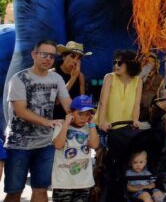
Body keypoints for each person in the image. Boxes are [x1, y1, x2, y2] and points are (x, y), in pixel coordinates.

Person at [4, 39, 72, 202]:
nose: (48, 58)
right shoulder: (19, 78)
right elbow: (20, 111)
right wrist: (47, 122)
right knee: (14, 192)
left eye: (52, 56)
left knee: (41, 191)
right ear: (34, 54)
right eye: (44, 54)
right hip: (19, 144)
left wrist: (87, 114)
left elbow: (68, 105)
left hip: (46, 144)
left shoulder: (57, 79)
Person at [51, 95, 99, 202]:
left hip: (84, 182)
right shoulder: (61, 125)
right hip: (63, 183)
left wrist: (92, 125)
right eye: (80, 114)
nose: (83, 118)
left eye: (87, 115)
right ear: (71, 113)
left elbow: (94, 145)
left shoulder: (89, 128)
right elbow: (58, 145)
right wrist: (66, 124)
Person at [96, 50, 142, 132]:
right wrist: (102, 122)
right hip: (107, 127)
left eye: (120, 63)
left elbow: (137, 105)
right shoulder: (109, 77)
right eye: (115, 62)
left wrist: (135, 120)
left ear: (130, 65)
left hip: (126, 128)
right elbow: (102, 102)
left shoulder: (138, 81)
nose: (116, 65)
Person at [52, 42, 90, 120]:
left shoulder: (80, 76)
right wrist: (73, 78)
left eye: (78, 58)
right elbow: (56, 102)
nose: (75, 61)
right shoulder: (52, 73)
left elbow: (81, 102)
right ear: (63, 57)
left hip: (74, 121)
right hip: (56, 120)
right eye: (72, 56)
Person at [138, 53, 163, 123]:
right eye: (148, 61)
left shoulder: (160, 78)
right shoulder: (140, 75)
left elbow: (159, 93)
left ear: (156, 63)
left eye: (152, 61)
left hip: (152, 105)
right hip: (139, 105)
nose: (150, 63)